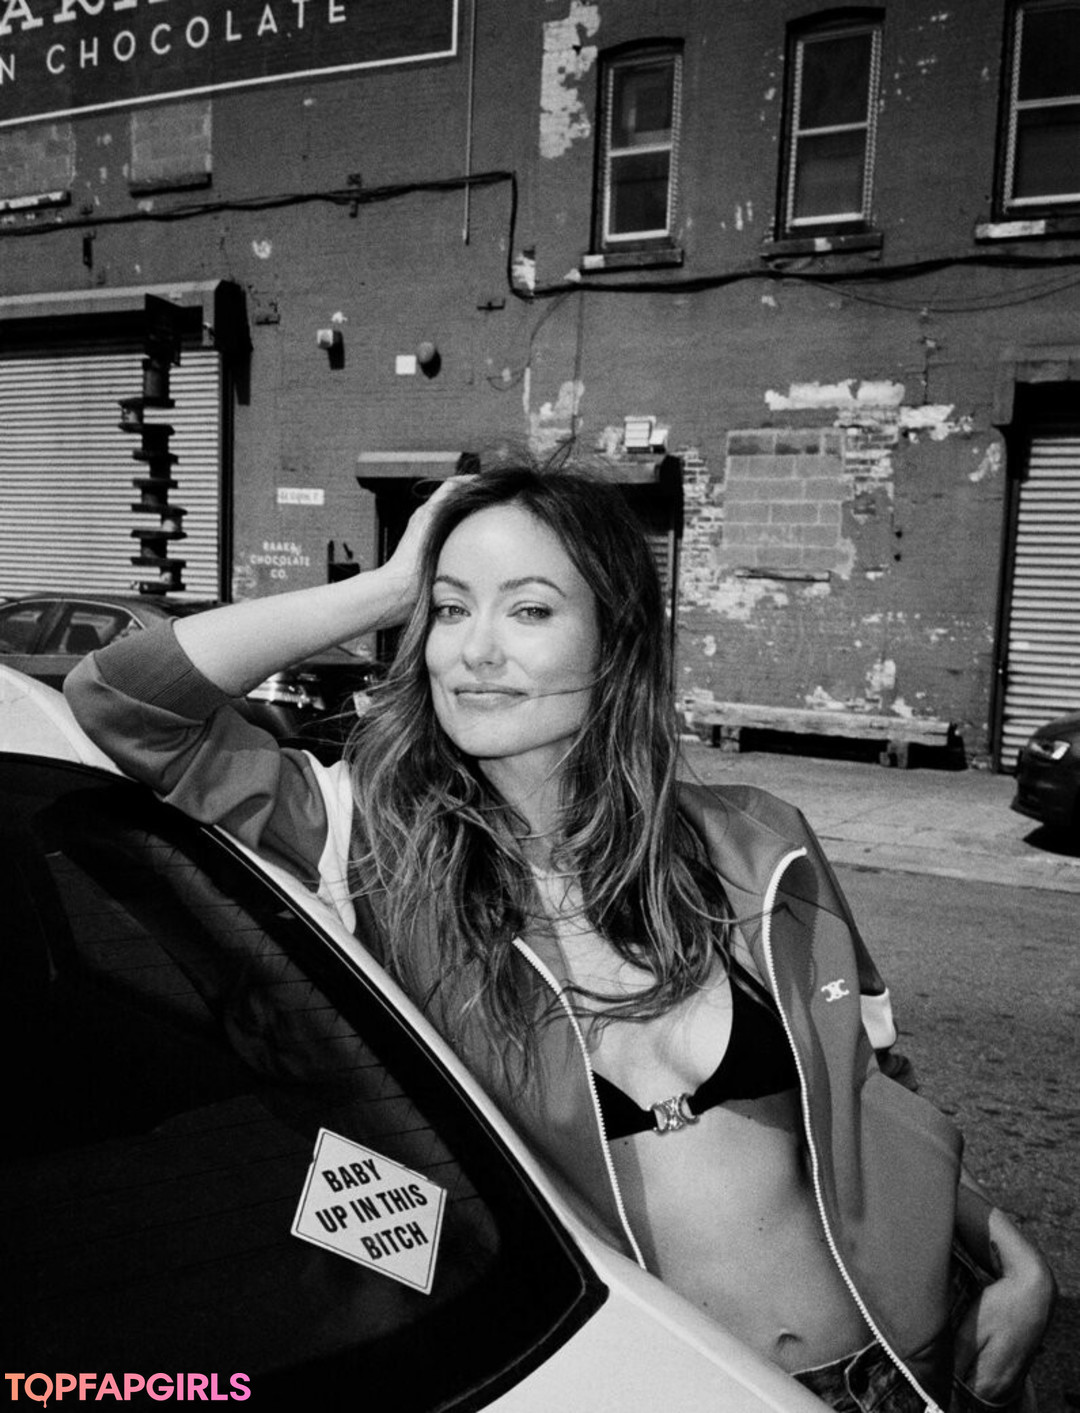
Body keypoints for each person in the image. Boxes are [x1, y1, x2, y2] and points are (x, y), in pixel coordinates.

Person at [65, 460, 1055, 1413]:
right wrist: (388, 586)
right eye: (451, 609)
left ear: (613, 641)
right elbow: (123, 701)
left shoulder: (760, 844)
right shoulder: (369, 854)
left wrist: (1004, 1255)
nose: (475, 650)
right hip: (648, 1389)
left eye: (529, 610)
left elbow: (872, 1085)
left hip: (901, 1363)